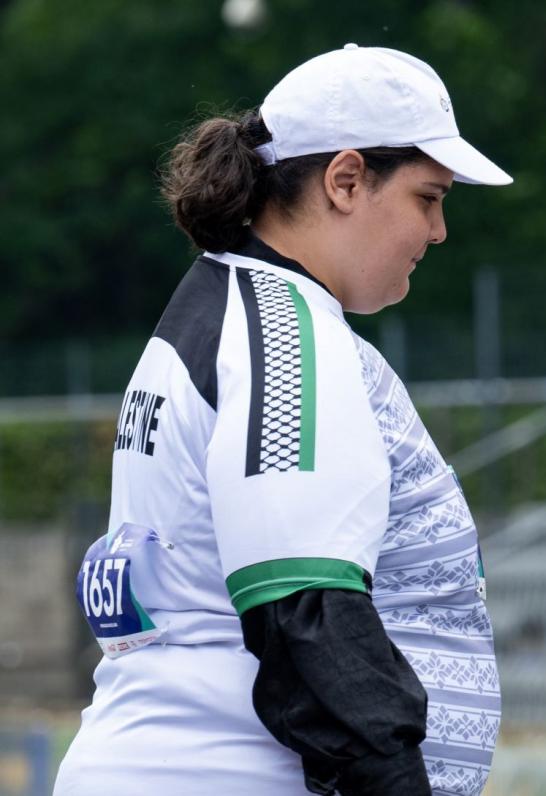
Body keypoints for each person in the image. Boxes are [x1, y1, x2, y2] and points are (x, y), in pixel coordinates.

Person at [55, 44, 507, 796]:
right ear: (346, 180)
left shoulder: (218, 304)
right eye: (430, 198)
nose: (438, 232)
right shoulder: (286, 339)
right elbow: (307, 615)